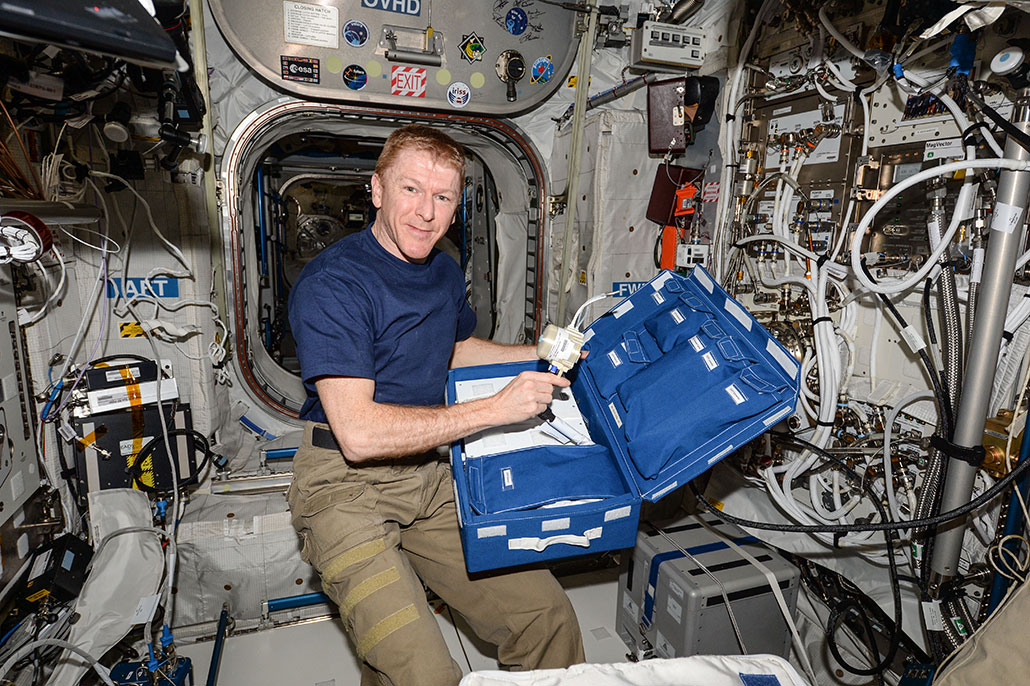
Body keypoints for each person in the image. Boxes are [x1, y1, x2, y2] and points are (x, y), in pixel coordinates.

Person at [287, 124, 584, 686]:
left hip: (427, 473)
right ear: (376, 190)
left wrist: (542, 356)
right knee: (423, 674)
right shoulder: (335, 284)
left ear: (456, 207)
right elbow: (359, 434)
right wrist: (496, 408)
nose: (426, 212)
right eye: (410, 190)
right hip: (342, 485)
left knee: (547, 620)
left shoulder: (443, 267)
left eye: (443, 197)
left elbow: (454, 347)